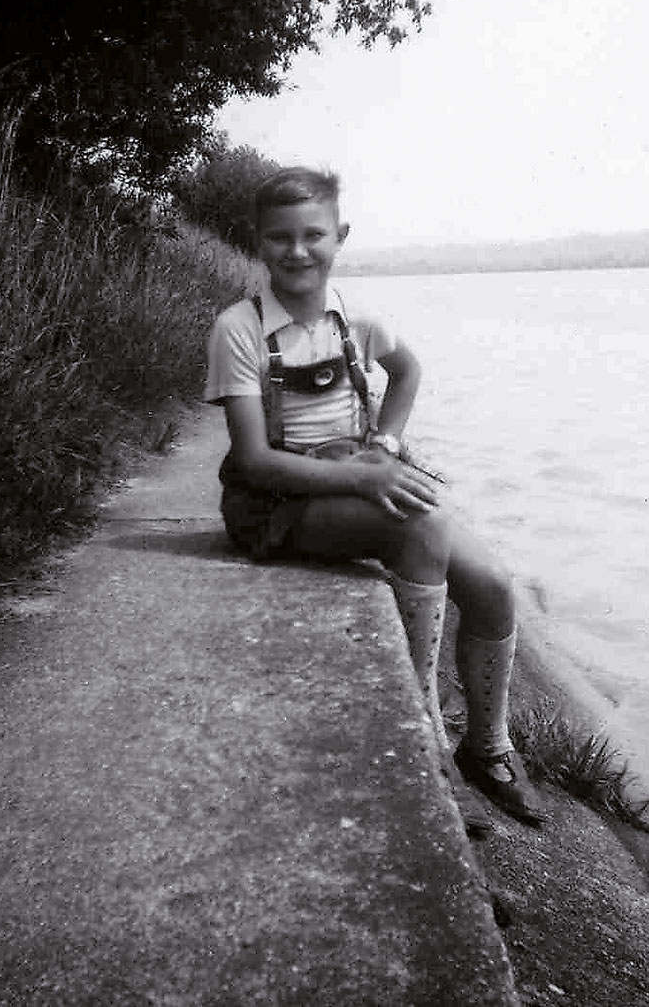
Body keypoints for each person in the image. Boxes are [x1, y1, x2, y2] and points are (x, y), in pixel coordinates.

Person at [203, 167, 548, 827]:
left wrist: (384, 447)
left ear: (341, 236)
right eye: (280, 238)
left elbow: (408, 370)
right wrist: (367, 477)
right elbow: (252, 459)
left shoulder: (356, 317)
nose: (298, 251)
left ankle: (490, 747)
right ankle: (424, 745)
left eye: (314, 235)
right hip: (275, 499)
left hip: (355, 470)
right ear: (257, 241)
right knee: (420, 533)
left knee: (495, 583)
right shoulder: (239, 329)